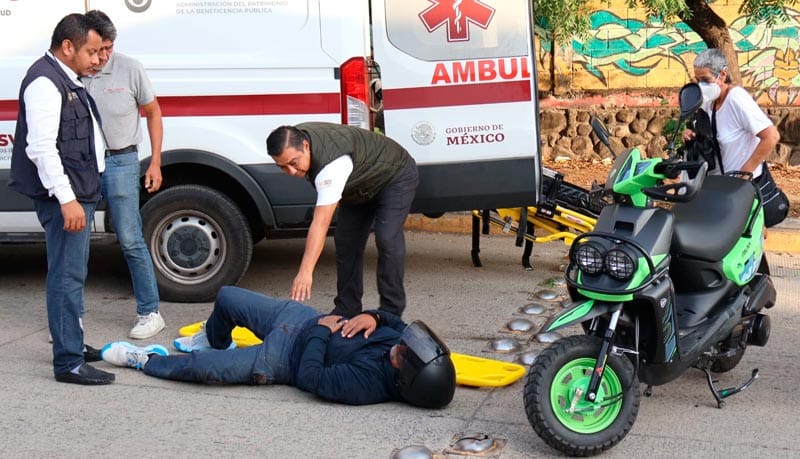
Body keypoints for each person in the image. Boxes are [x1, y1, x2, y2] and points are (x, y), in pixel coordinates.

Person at [101, 286, 456, 407]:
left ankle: (145, 360)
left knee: (201, 368)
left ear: (404, 379)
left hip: (282, 358)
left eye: (404, 352)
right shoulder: (402, 345)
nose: (401, 344)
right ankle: (214, 339)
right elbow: (397, 323)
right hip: (299, 317)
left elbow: (310, 377)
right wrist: (374, 317)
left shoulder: (366, 386)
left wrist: (320, 333)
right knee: (227, 297)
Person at [8, 13, 114, 385]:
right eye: (92, 51)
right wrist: (67, 199)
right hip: (65, 197)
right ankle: (68, 361)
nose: (98, 59)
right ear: (67, 46)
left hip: (78, 190)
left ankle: (73, 341)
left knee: (73, 273)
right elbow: (41, 148)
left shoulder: (66, 78)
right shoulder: (45, 82)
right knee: (66, 277)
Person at [265, 123, 418, 318]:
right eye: (282, 167)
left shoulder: (331, 166)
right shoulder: (292, 137)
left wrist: (305, 272)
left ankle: (391, 312)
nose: (291, 171)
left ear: (306, 146)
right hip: (359, 184)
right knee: (346, 240)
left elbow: (320, 224)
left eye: (294, 163)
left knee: (387, 238)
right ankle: (347, 307)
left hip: (394, 175)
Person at [82, 10, 166, 339]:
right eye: (97, 49)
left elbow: (154, 112)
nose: (103, 56)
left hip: (121, 160)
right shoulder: (75, 70)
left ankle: (150, 312)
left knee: (130, 238)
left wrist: (155, 162)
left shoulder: (130, 68)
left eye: (109, 48)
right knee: (76, 242)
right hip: (84, 165)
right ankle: (71, 317)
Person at [685, 48, 784, 223]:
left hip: (742, 189)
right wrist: (691, 135)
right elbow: (709, 136)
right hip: (720, 188)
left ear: (722, 75)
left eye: (706, 80)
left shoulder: (736, 99)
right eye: (697, 80)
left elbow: (771, 136)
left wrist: (744, 174)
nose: (701, 86)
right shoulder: (708, 103)